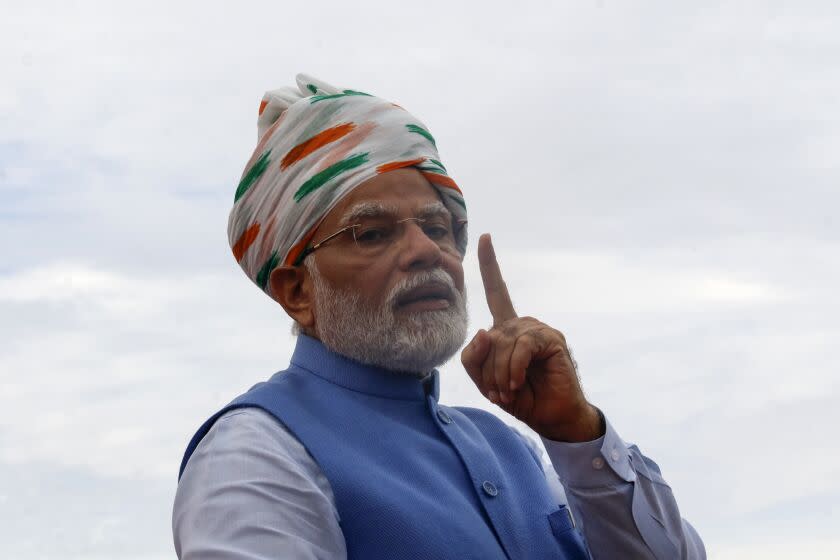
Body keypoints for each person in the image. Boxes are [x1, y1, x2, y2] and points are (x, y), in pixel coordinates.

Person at [172, 73, 705, 559]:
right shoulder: (257, 454)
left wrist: (575, 432)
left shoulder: (511, 449)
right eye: (372, 233)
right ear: (297, 292)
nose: (427, 251)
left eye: (438, 226)